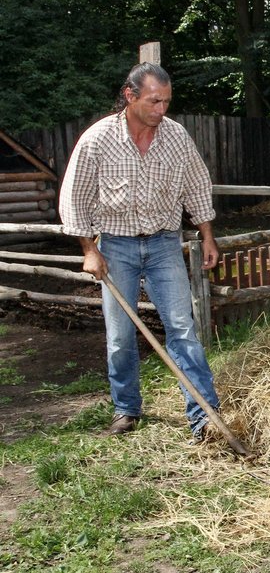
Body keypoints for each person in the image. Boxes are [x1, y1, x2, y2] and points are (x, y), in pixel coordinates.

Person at [58, 62, 222, 442]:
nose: (161, 110)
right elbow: (74, 197)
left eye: (166, 101)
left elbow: (197, 187)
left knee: (183, 328)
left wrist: (208, 236)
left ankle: (203, 414)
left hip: (165, 243)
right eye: (154, 101)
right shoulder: (98, 139)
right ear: (130, 96)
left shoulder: (176, 137)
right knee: (119, 336)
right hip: (116, 246)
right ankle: (126, 407)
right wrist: (89, 250)